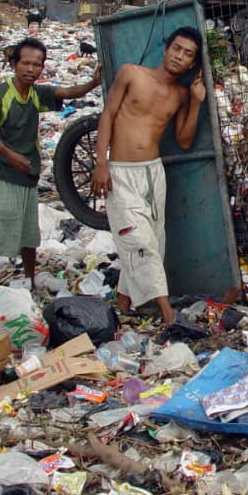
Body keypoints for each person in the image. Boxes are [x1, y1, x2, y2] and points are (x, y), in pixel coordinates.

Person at [91, 27, 206, 325]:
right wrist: (100, 163)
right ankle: (167, 312)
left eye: (188, 54)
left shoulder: (180, 94)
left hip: (154, 173)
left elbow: (183, 140)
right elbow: (107, 114)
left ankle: (124, 302)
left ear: (193, 63)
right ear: (166, 49)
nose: (180, 56)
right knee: (139, 240)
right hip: (120, 172)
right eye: (177, 49)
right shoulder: (131, 74)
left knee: (154, 239)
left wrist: (195, 102)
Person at [0, 38, 101, 292]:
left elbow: (67, 93)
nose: (31, 69)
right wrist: (13, 157)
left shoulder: (35, 93)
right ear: (14, 64)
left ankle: (31, 279)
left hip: (27, 174)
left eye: (37, 65)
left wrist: (93, 82)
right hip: (2, 173)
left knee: (28, 233)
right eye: (25, 63)